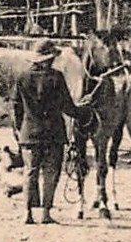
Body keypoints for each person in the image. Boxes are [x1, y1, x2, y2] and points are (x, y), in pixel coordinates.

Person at [9, 38, 88, 225]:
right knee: (51, 173)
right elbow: (68, 107)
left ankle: (27, 213)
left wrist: (20, 131)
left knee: (30, 173)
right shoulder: (57, 77)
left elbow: (15, 108)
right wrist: (83, 109)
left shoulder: (22, 77)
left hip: (29, 134)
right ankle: (45, 214)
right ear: (47, 59)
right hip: (53, 133)